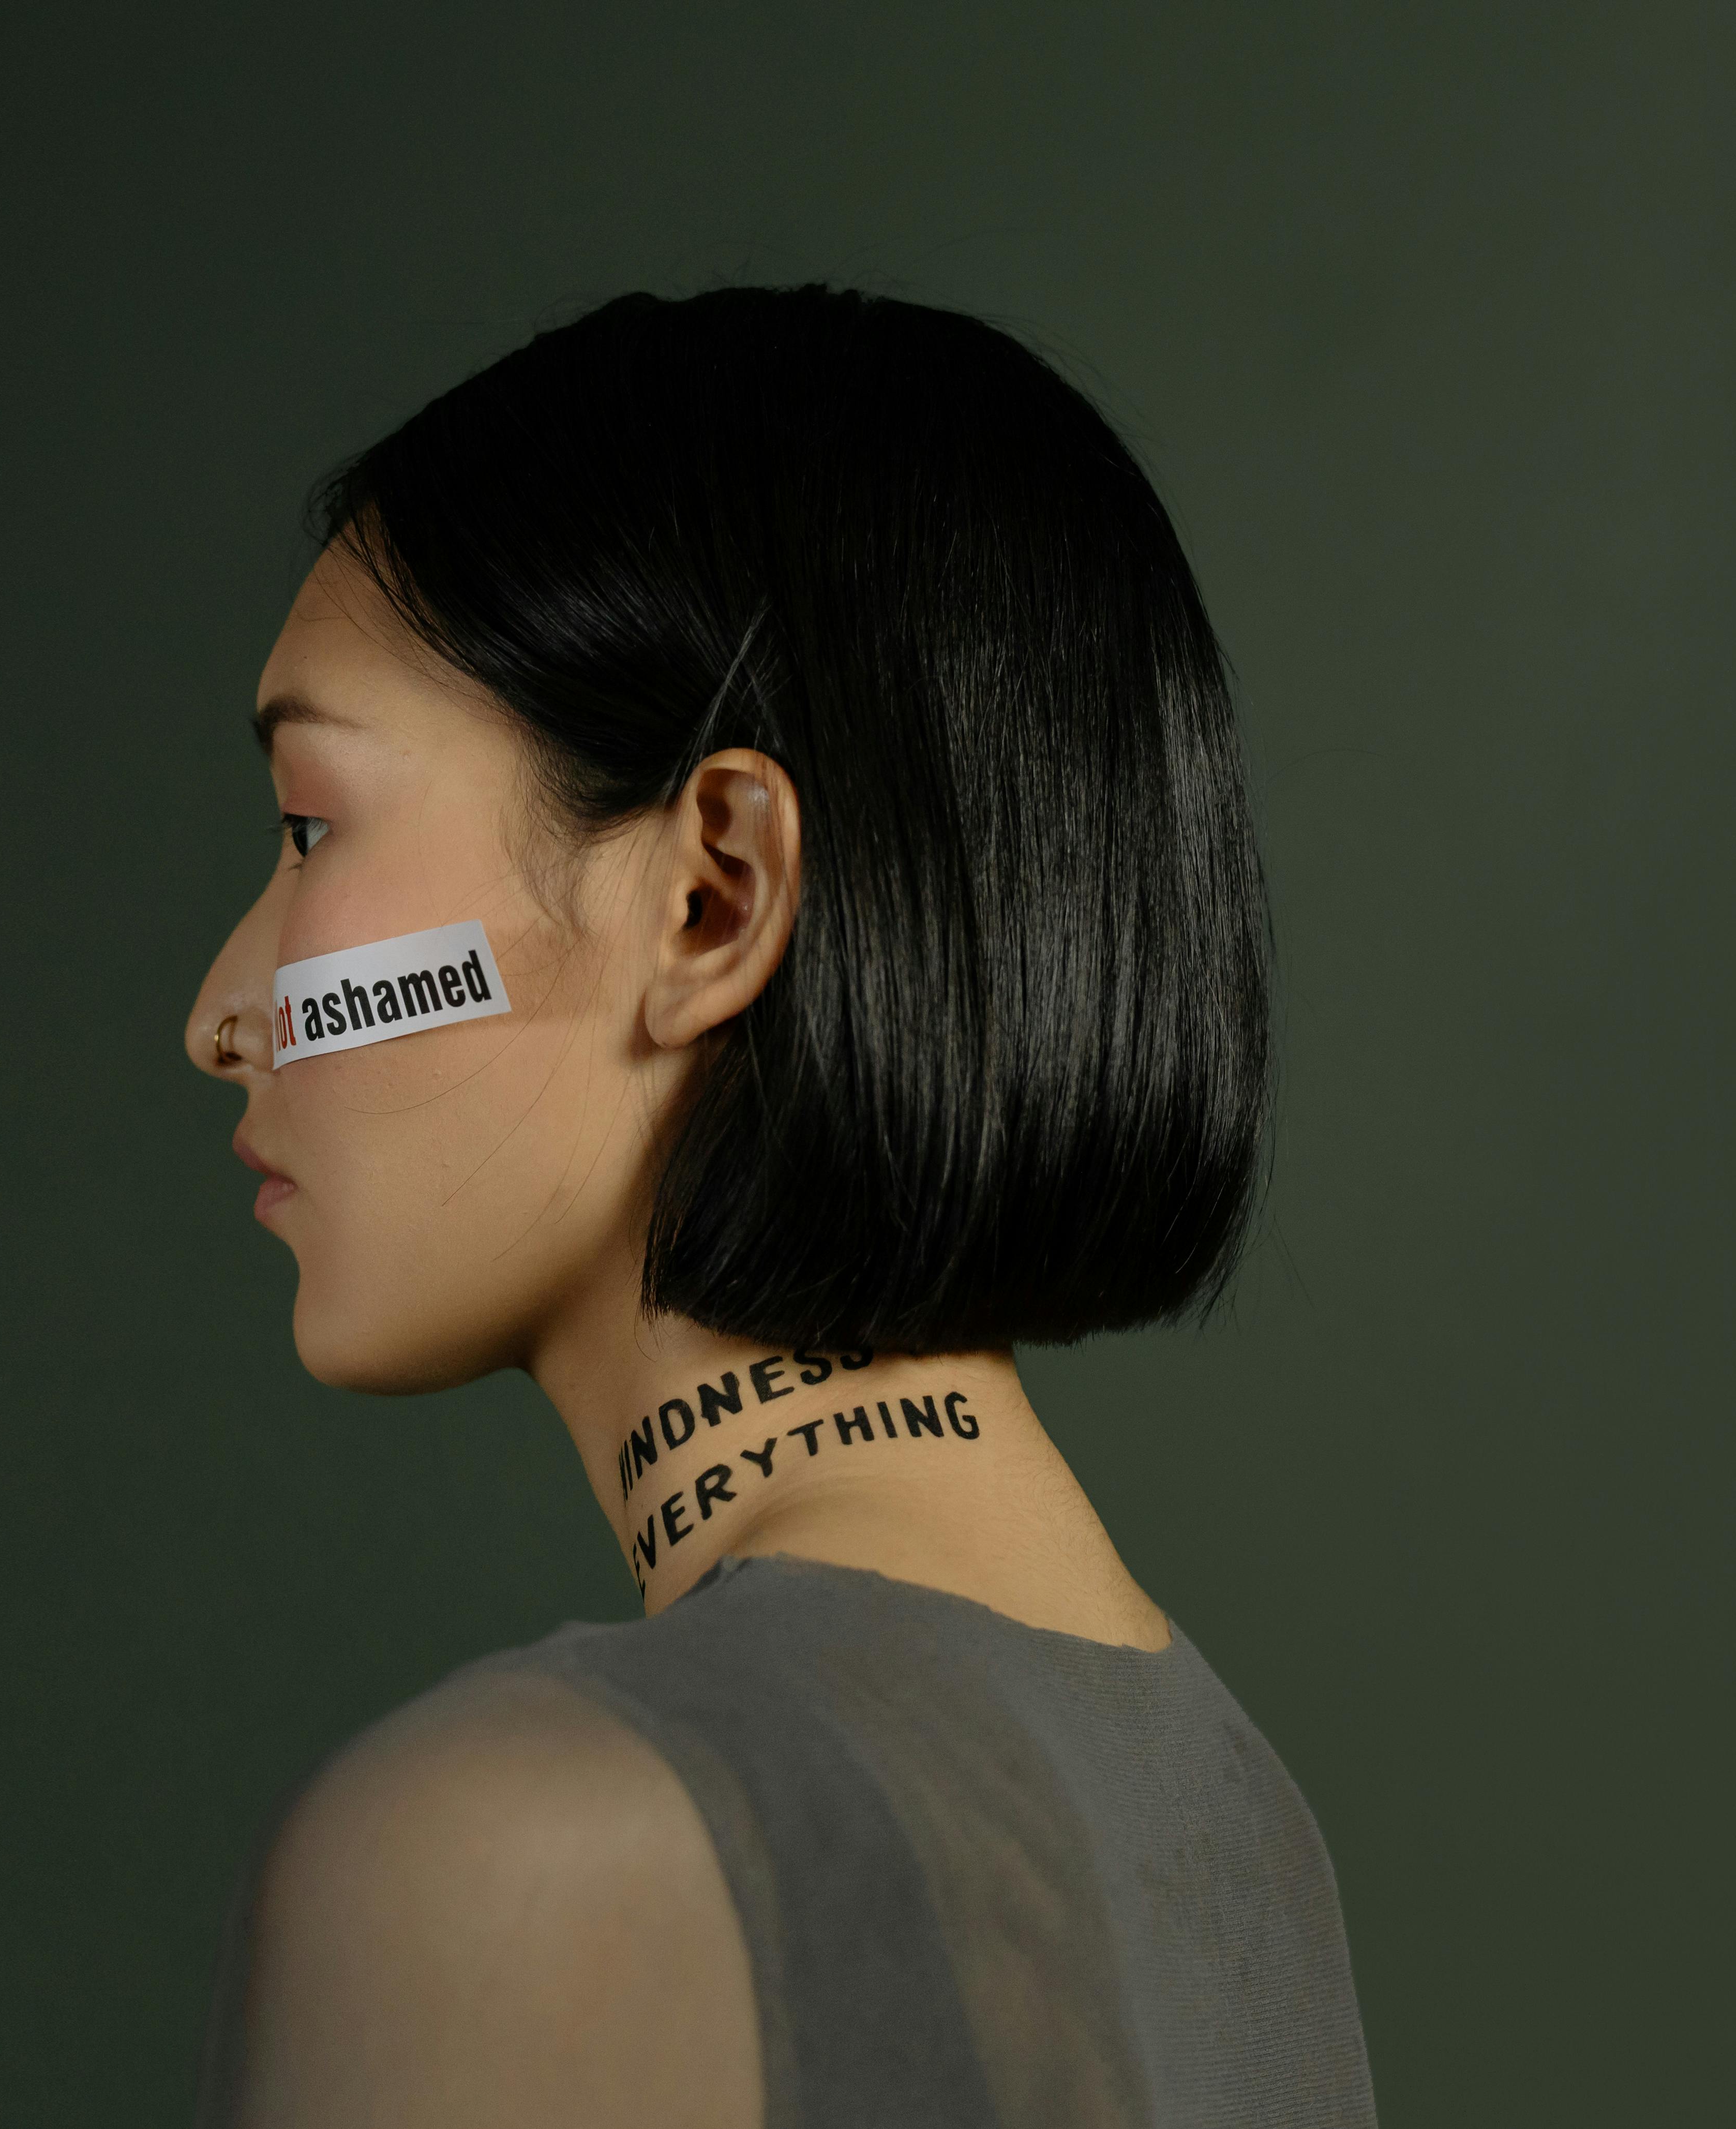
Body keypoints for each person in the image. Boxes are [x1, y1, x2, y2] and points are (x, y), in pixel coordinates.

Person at [183, 286, 1375, 2127]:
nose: (225, 1012)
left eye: (308, 828)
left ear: (711, 899)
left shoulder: (522, 1851)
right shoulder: (1224, 1823)